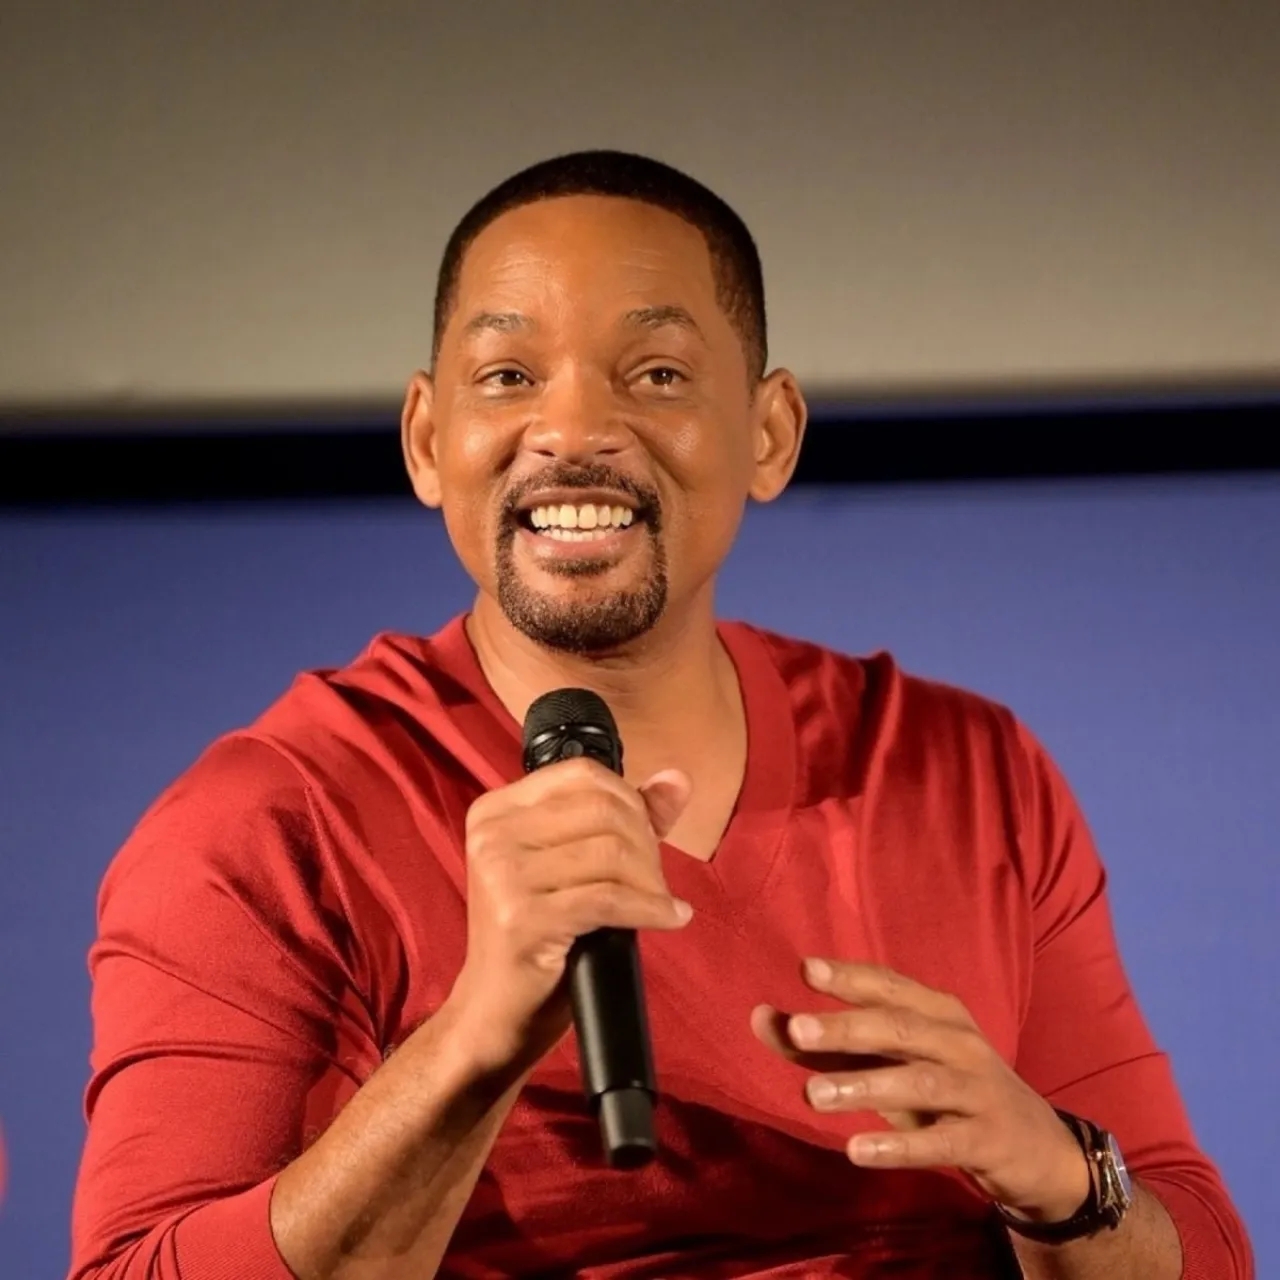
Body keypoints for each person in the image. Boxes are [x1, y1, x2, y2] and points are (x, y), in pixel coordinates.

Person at [68, 151, 1252, 1280]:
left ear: (769, 435)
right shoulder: (270, 824)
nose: (574, 431)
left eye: (657, 375)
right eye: (508, 375)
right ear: (428, 441)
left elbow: (1197, 1243)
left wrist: (1056, 1173)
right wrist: (472, 1042)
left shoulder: (963, 771)